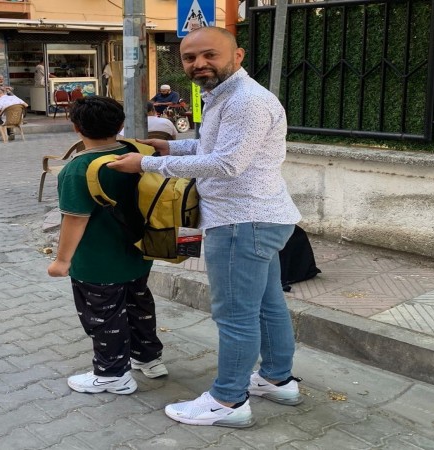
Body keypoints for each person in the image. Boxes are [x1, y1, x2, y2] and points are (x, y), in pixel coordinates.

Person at [107, 26, 303, 428]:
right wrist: (171, 146)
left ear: (238, 55)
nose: (199, 64)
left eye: (209, 55)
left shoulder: (246, 101)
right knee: (267, 306)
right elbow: (214, 148)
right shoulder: (224, 96)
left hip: (240, 223)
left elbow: (227, 164)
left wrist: (146, 163)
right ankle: (277, 380)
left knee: (235, 316)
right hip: (259, 219)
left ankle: (228, 401)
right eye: (190, 57)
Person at [47, 96, 167, 395]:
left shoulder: (78, 169)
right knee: (139, 305)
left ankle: (113, 374)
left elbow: (74, 220)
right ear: (121, 124)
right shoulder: (135, 154)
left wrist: (61, 261)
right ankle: (148, 358)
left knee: (104, 316)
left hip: (97, 262)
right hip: (139, 251)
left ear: (76, 127)